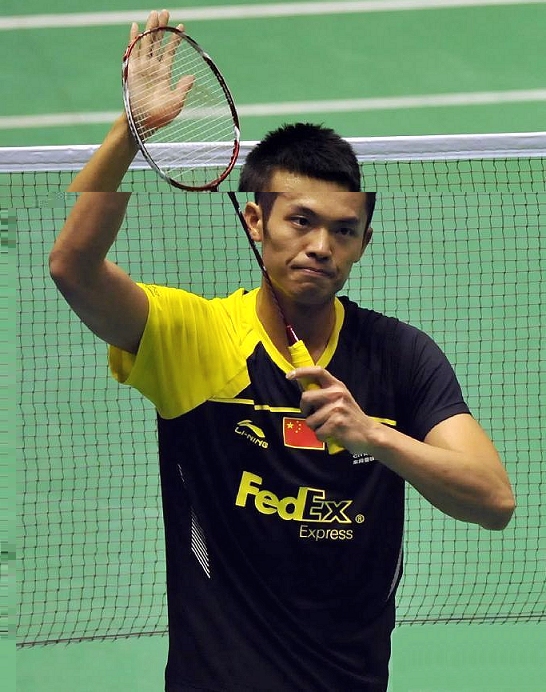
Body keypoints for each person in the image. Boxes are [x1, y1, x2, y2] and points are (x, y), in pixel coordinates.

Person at [49, 10, 515, 691]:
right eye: (301, 220)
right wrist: (132, 131)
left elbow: (494, 499)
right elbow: (73, 268)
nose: (321, 246)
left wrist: (373, 436)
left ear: (363, 244)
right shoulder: (196, 337)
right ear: (254, 220)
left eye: (344, 230)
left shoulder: (399, 356)